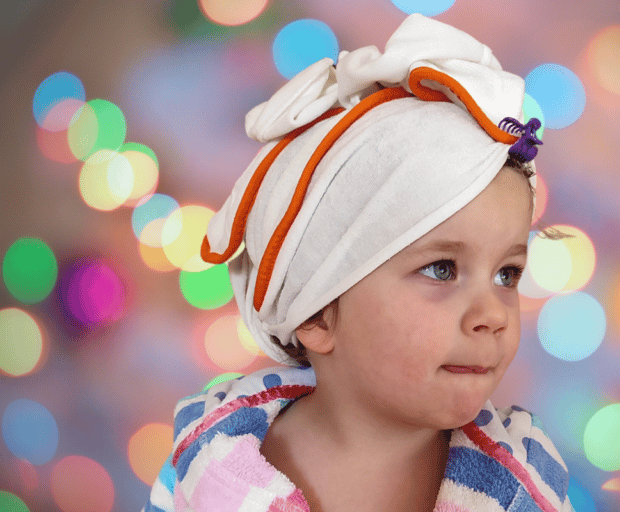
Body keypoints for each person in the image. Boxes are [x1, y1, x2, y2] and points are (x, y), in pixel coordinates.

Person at [144, 13, 572, 512]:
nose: (495, 315)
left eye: (507, 274)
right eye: (442, 269)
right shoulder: (206, 470)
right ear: (318, 315)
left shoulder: (523, 483)